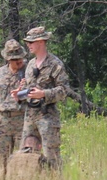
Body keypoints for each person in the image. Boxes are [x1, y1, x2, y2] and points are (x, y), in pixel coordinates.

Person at [12, 26, 69, 170]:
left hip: (47, 116)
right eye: (27, 42)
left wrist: (43, 94)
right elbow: (29, 89)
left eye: (31, 42)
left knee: (52, 156)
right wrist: (20, 94)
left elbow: (64, 91)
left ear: (41, 42)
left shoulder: (55, 64)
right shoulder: (30, 64)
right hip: (29, 116)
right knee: (26, 154)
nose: (28, 45)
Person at [0, 39, 27, 175]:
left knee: (23, 157)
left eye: (19, 58)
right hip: (3, 121)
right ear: (8, 59)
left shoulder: (29, 72)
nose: (18, 61)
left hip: (23, 119)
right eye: (14, 59)